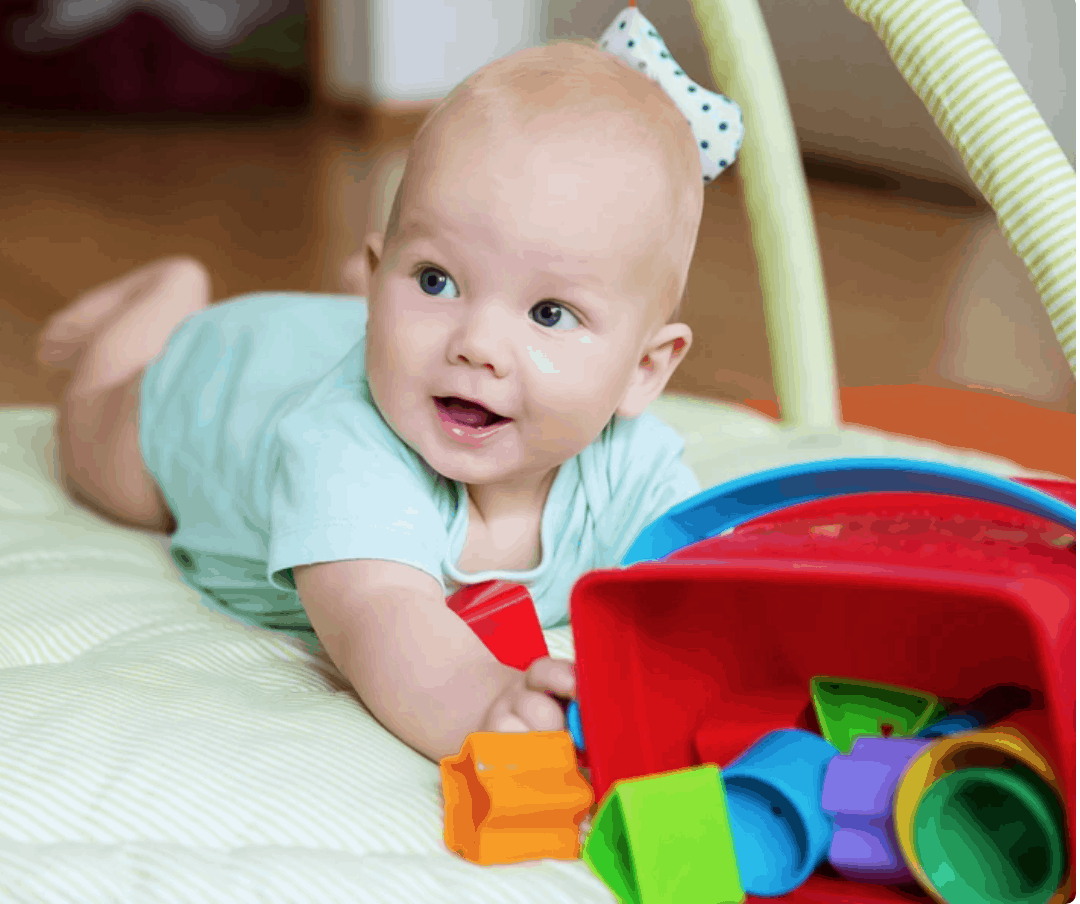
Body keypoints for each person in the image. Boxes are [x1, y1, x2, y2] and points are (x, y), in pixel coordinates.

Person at [38, 40, 705, 763]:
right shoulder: (341, 450)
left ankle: (377, 299)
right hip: (214, 387)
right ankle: (163, 294)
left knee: (406, 347)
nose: (477, 343)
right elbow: (382, 619)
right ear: (383, 268)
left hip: (328, 341)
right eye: (435, 278)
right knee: (97, 459)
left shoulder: (631, 470)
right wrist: (488, 705)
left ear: (644, 368)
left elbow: (708, 580)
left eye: (549, 313)